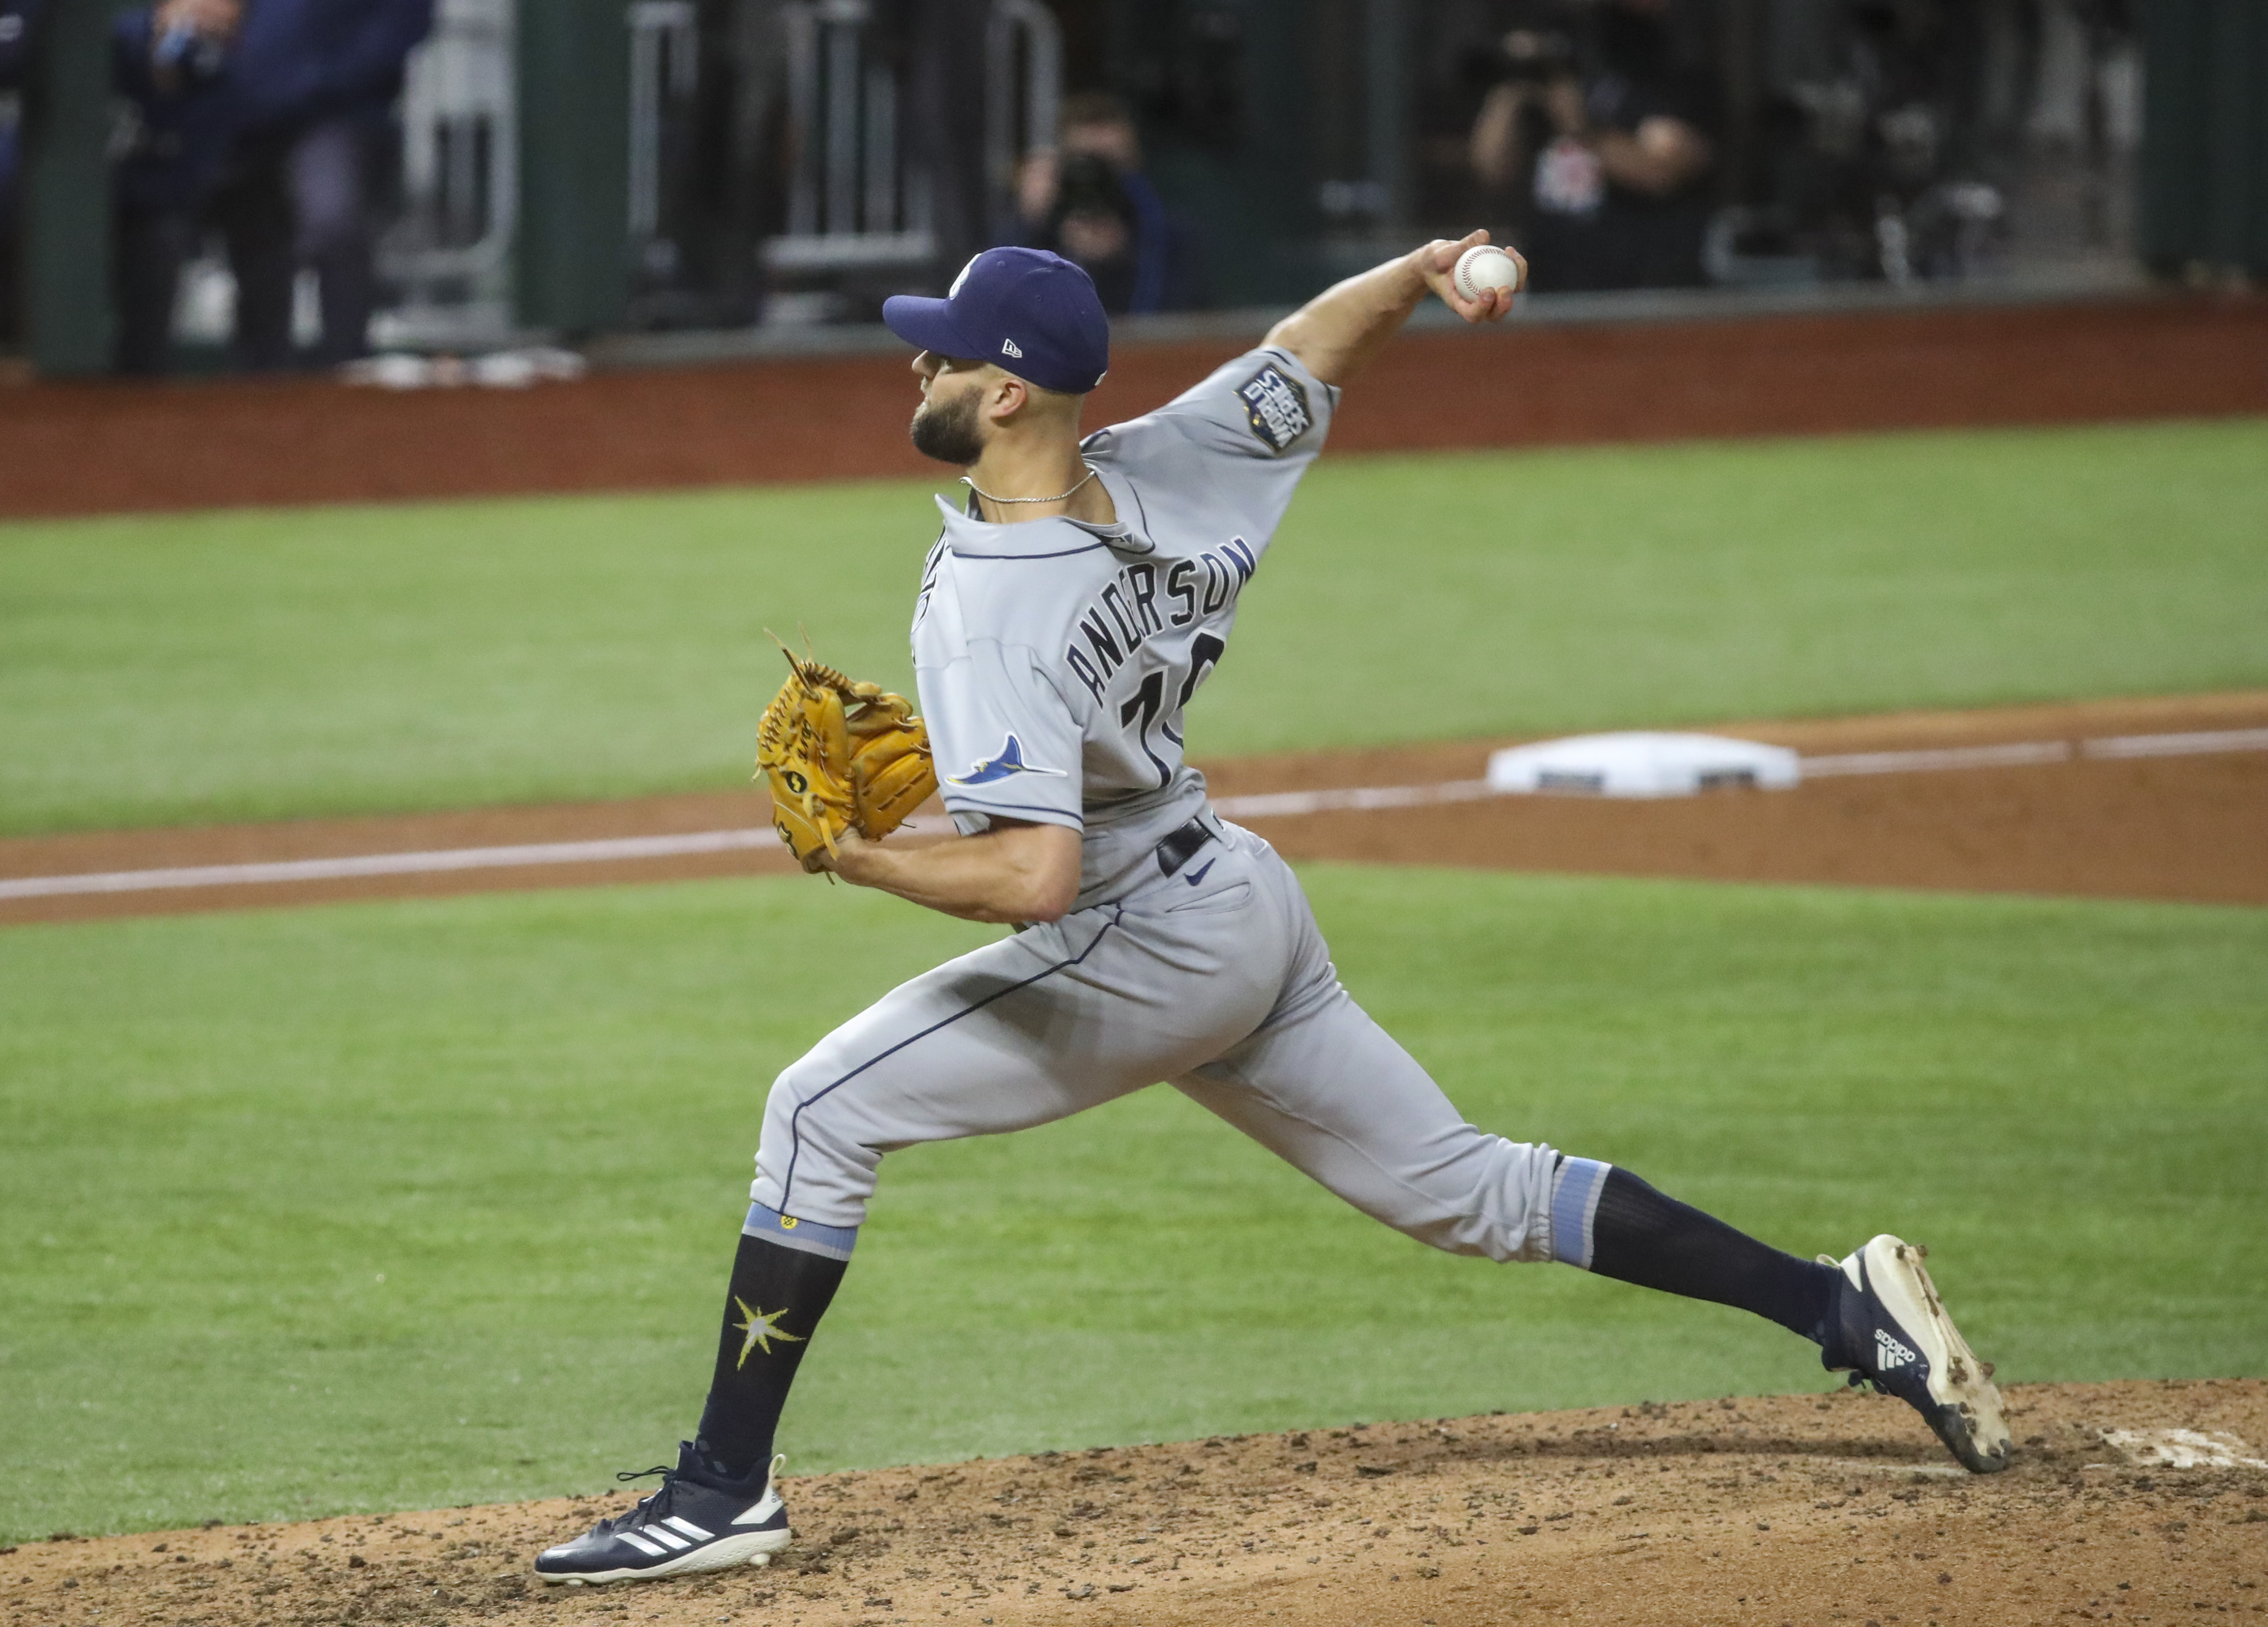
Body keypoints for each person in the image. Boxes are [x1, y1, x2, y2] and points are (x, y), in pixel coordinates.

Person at [529, 233, 2011, 1587]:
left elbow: (1034, 881)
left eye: (946, 351)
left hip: (1135, 939)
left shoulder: (991, 598)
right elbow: (1315, 349)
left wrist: (861, 859)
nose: (916, 363)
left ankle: (722, 1488)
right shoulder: (1170, 461)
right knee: (1467, 1189)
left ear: (1007, 397)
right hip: (1236, 898)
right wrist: (1420, 269)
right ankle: (1842, 1310)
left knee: (818, 1110)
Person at [111, 0, 430, 374]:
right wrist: (158, 29)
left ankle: (344, 372)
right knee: (177, 238)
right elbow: (129, 34)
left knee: (331, 223)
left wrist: (285, 85)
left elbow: (396, 30)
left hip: (327, 113)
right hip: (205, 119)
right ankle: (152, 385)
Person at [1469, 0, 1716, 292]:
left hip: (1644, 289)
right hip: (1553, 287)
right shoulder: (1555, 72)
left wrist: (1580, 128)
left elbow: (1660, 171)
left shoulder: (1668, 71)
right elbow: (1491, 168)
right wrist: (1513, 85)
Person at [1014, 89, 1205, 314]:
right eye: (1084, 166)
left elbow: (1182, 328)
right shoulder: (1037, 234)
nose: (1095, 182)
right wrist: (1033, 223)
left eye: (1110, 168)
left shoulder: (1172, 236)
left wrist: (1119, 261)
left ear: (1134, 164)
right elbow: (1000, 302)